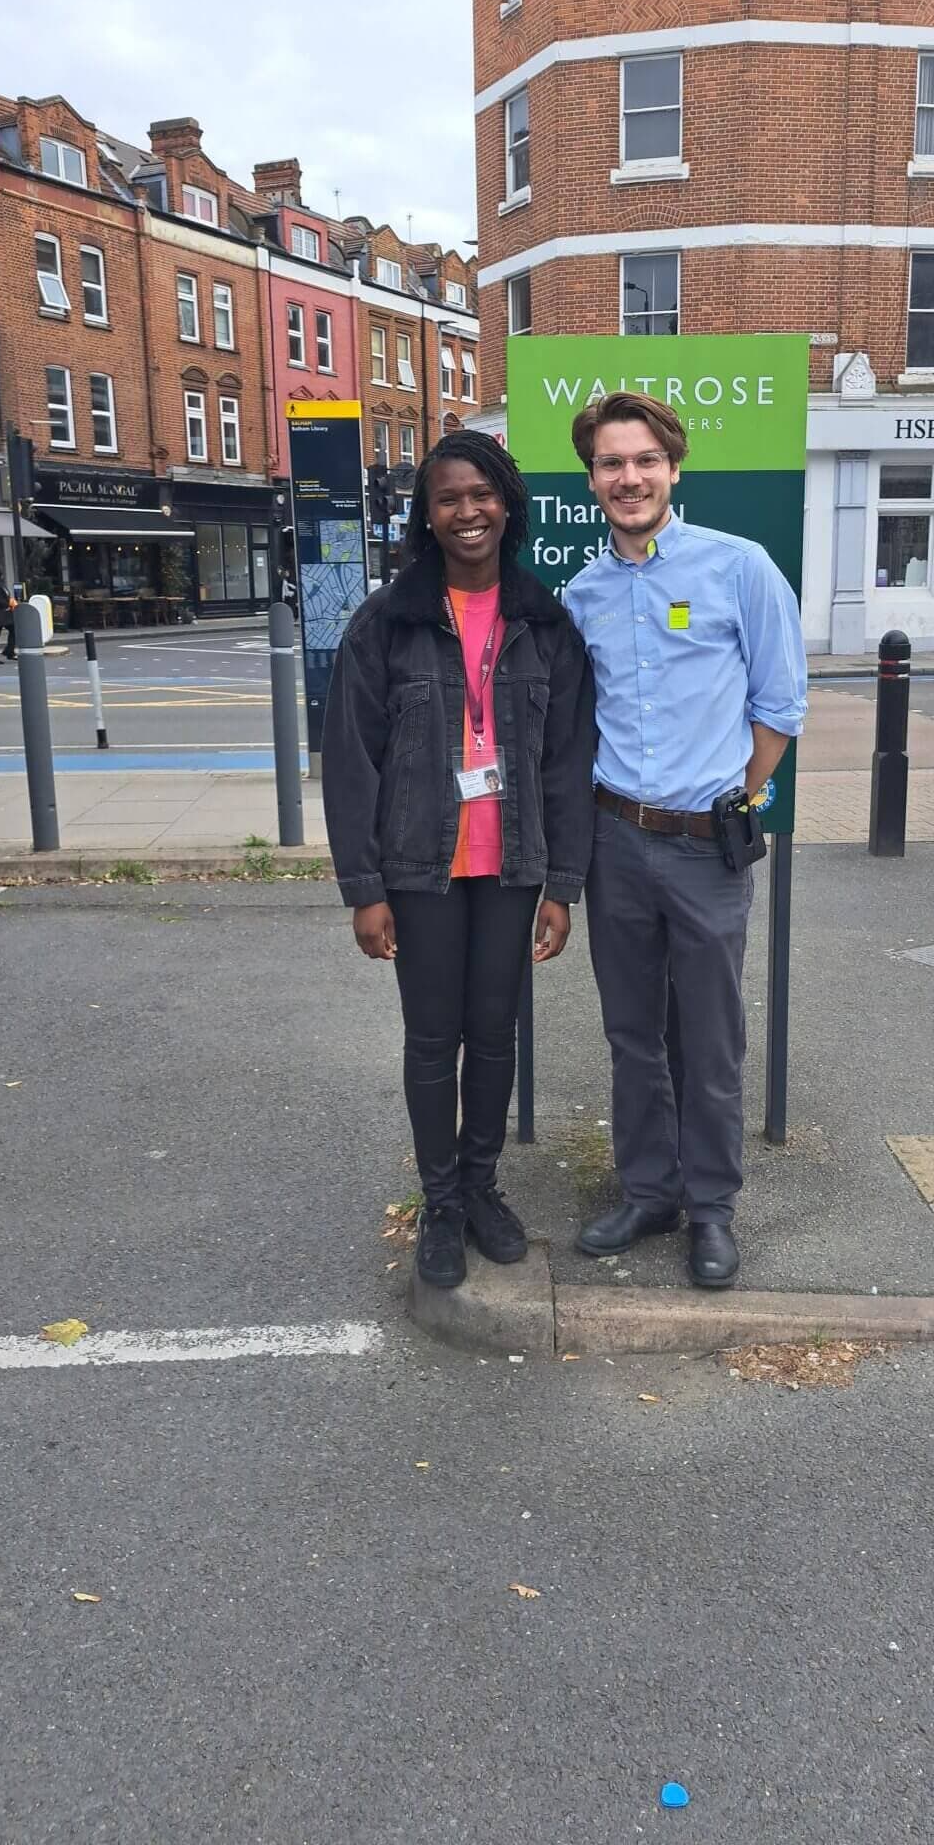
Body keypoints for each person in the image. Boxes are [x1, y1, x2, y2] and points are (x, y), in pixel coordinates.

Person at [323, 429, 597, 1291]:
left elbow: (566, 760)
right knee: (433, 1037)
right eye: (448, 498)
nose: (467, 511)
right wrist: (364, 891)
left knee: (495, 1035)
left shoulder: (545, 624)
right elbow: (349, 763)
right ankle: (440, 1202)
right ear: (427, 516)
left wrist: (563, 884)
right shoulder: (386, 624)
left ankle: (481, 1188)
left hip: (513, 866)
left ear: (507, 504)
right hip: (420, 868)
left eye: (482, 494)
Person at [563, 393, 807, 1290]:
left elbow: (779, 703)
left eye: (643, 462)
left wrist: (735, 799)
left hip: (707, 849)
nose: (628, 478)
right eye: (610, 464)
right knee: (632, 1035)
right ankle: (648, 1191)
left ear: (674, 468)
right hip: (614, 840)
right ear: (592, 479)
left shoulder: (739, 569)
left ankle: (711, 1209)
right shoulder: (583, 594)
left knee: (709, 1039)